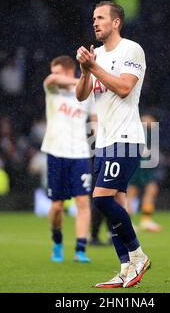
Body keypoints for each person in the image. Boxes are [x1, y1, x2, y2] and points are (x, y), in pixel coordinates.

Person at [75, 1, 151, 288]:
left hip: (126, 138)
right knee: (116, 202)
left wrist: (93, 66)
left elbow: (124, 88)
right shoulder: (96, 57)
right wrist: (85, 71)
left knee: (101, 199)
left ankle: (138, 255)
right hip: (105, 142)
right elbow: (82, 96)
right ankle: (126, 268)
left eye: (101, 18)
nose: (95, 22)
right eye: (93, 17)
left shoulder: (131, 50)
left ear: (116, 22)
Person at [41, 55, 95, 263]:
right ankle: (57, 241)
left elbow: (95, 117)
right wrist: (85, 78)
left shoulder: (86, 95)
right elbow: (51, 80)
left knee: (83, 202)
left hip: (80, 154)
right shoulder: (53, 90)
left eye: (56, 71)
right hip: (55, 152)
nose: (52, 75)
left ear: (68, 70)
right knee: (56, 207)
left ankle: (80, 249)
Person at [126, 114, 162, 232]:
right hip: (135, 164)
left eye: (151, 119)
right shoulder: (134, 129)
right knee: (131, 192)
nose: (148, 121)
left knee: (151, 189)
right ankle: (128, 223)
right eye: (146, 118)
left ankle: (146, 220)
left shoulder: (152, 133)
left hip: (145, 166)